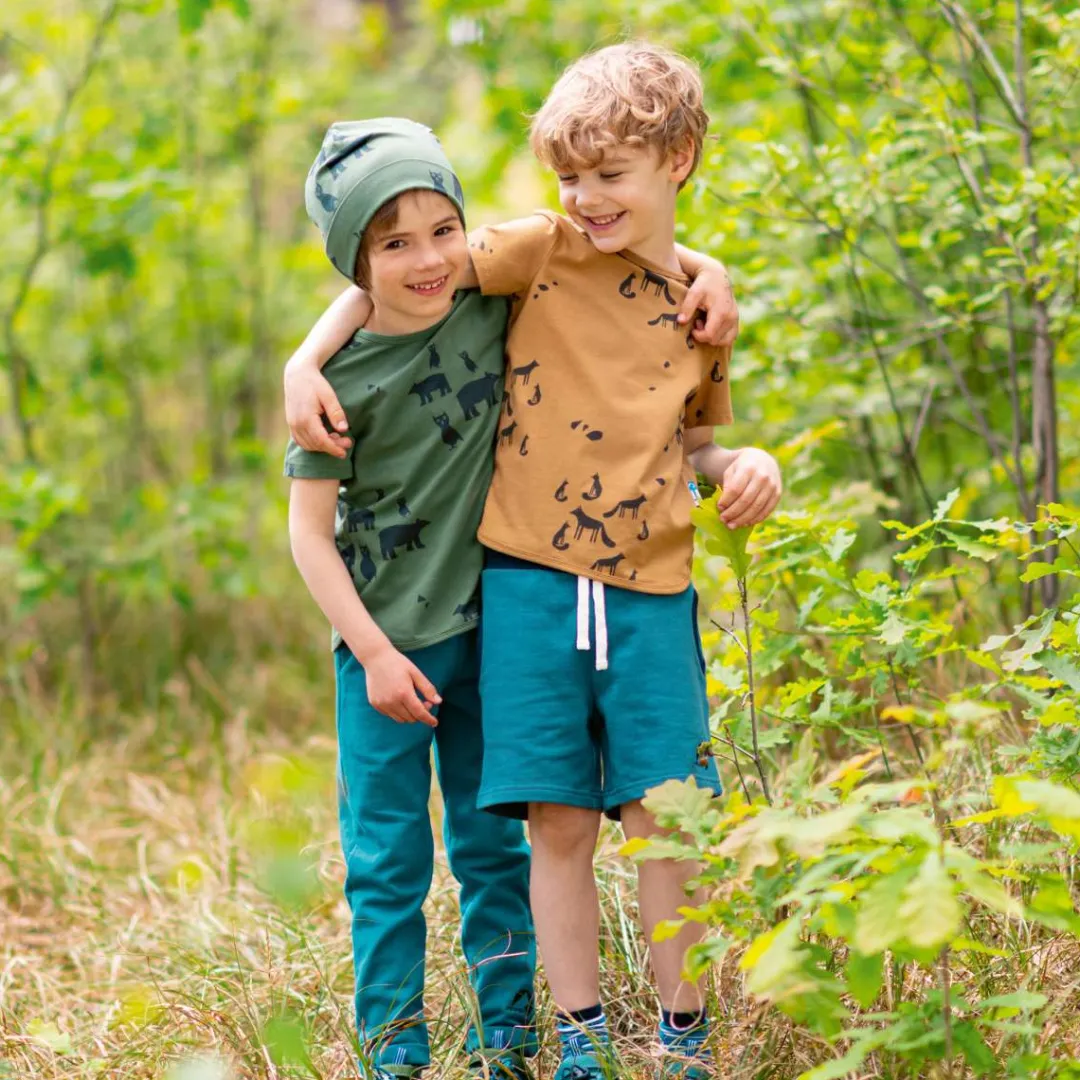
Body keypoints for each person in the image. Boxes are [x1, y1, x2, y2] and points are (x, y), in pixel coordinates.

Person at [285, 45, 776, 1080]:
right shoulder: (539, 251)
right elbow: (391, 275)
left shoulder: (702, 309)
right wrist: (305, 358)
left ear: (679, 159)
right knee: (550, 819)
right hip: (525, 591)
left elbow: (696, 445)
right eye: (570, 177)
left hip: (651, 590)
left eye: (610, 174)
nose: (586, 198)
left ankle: (681, 1038)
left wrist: (745, 463)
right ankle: (573, 1038)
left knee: (664, 819)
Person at [285, 117, 538, 1080]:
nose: (428, 259)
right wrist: (376, 655)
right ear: (358, 261)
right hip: (384, 650)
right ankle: (395, 1051)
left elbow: (597, 245)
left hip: (495, 635)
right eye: (394, 244)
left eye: (443, 230)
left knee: (492, 846)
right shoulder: (334, 386)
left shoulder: (492, 303)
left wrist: (707, 271)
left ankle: (509, 1038)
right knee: (386, 861)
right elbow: (308, 537)